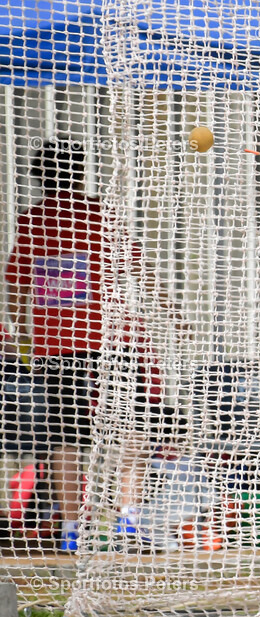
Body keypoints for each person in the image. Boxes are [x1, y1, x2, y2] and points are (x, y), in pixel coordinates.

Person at [4, 139, 105, 551]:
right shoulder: (97, 213)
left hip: (51, 349)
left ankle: (70, 528)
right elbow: (138, 267)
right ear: (80, 172)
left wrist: (20, 332)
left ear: (38, 177)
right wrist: (171, 313)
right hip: (100, 344)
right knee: (104, 434)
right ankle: (110, 523)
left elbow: (16, 286)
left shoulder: (33, 220)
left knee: (65, 437)